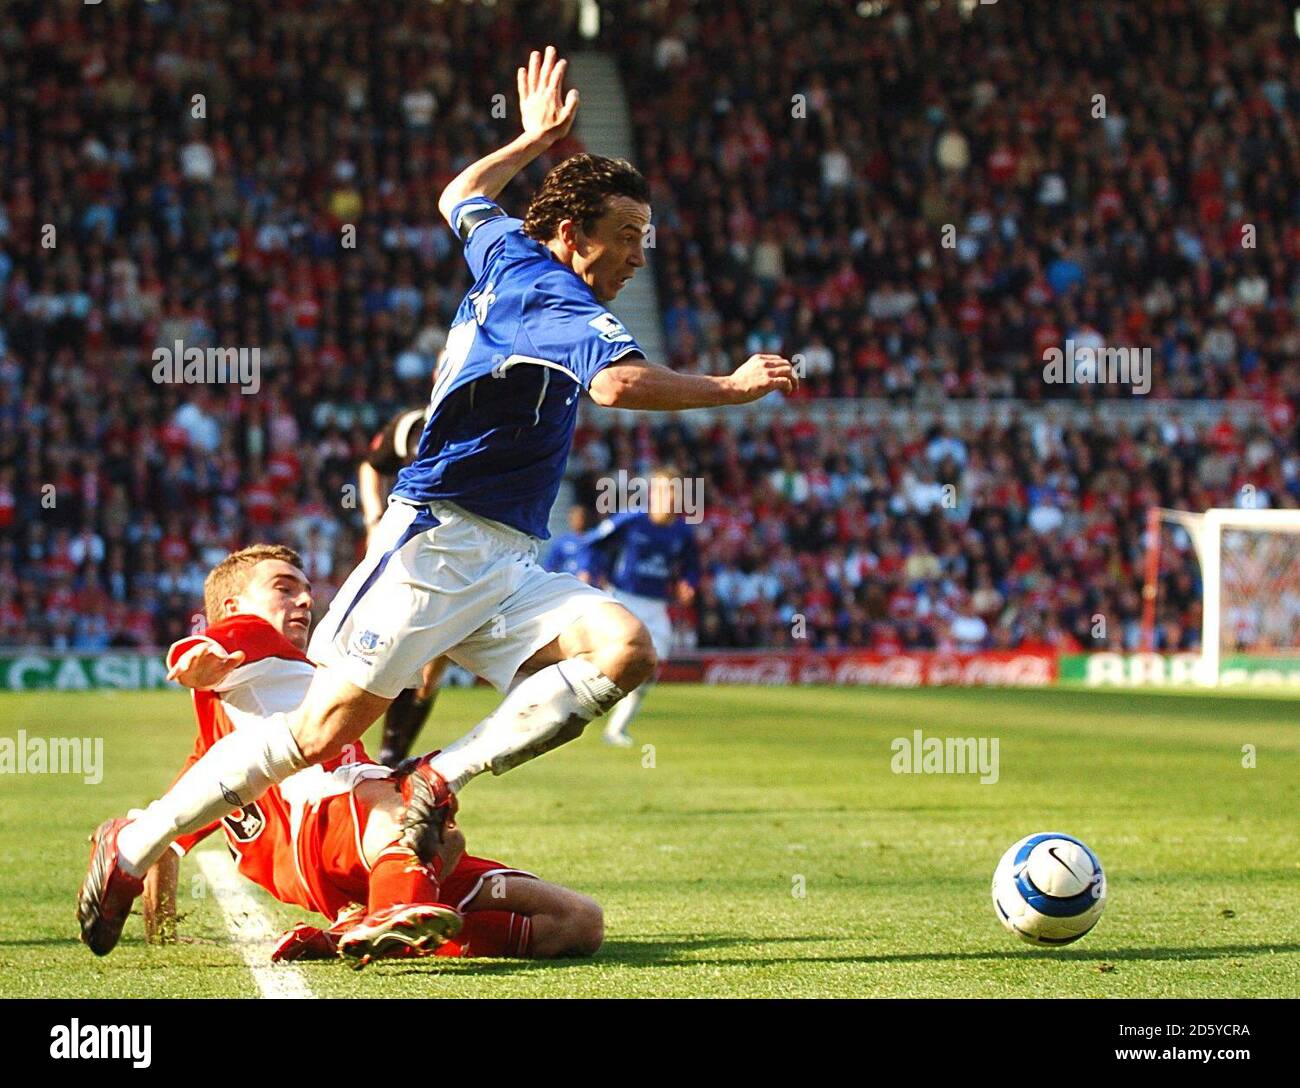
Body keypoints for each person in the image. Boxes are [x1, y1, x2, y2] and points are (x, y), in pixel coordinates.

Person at [80, 46, 794, 957]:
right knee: (319, 732)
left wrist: (531, 140)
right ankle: (135, 842)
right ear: (575, 233)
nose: (639, 255)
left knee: (624, 650)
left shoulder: (505, 248)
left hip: (507, 558)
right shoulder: (558, 298)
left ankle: (433, 782)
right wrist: (731, 390)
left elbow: (459, 191)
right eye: (630, 237)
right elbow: (616, 389)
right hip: (434, 542)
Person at [132, 544, 603, 967]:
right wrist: (198, 656)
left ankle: (363, 926)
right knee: (428, 817)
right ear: (234, 606)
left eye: (306, 591)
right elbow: (226, 640)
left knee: (578, 922)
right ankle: (394, 905)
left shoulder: (214, 758)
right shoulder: (257, 641)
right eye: (284, 588)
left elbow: (162, 843)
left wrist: (163, 931)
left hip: (364, 855)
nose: (304, 600)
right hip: (336, 828)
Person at [358, 402, 448, 767]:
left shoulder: (486, 418)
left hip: (456, 551)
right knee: (397, 644)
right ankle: (389, 752)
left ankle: (396, 752)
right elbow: (372, 465)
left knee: (436, 662)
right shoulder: (411, 424)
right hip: (407, 547)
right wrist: (372, 517)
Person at [587, 467, 699, 746]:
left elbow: (693, 566)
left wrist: (689, 582)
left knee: (649, 670)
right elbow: (593, 544)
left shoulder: (683, 532)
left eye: (673, 490)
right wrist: (590, 572)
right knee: (610, 659)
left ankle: (615, 730)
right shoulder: (632, 519)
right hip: (623, 599)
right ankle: (578, 708)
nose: (668, 496)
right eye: (662, 490)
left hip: (656, 605)